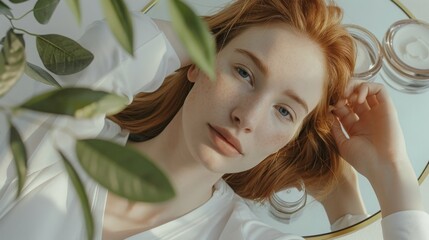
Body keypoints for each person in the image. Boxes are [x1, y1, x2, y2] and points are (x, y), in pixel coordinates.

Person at [0, 0, 427, 240]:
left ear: (289, 139)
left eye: (284, 111)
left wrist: (393, 174)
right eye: (243, 73)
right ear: (195, 60)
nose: (247, 116)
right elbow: (109, 48)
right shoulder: (58, 146)